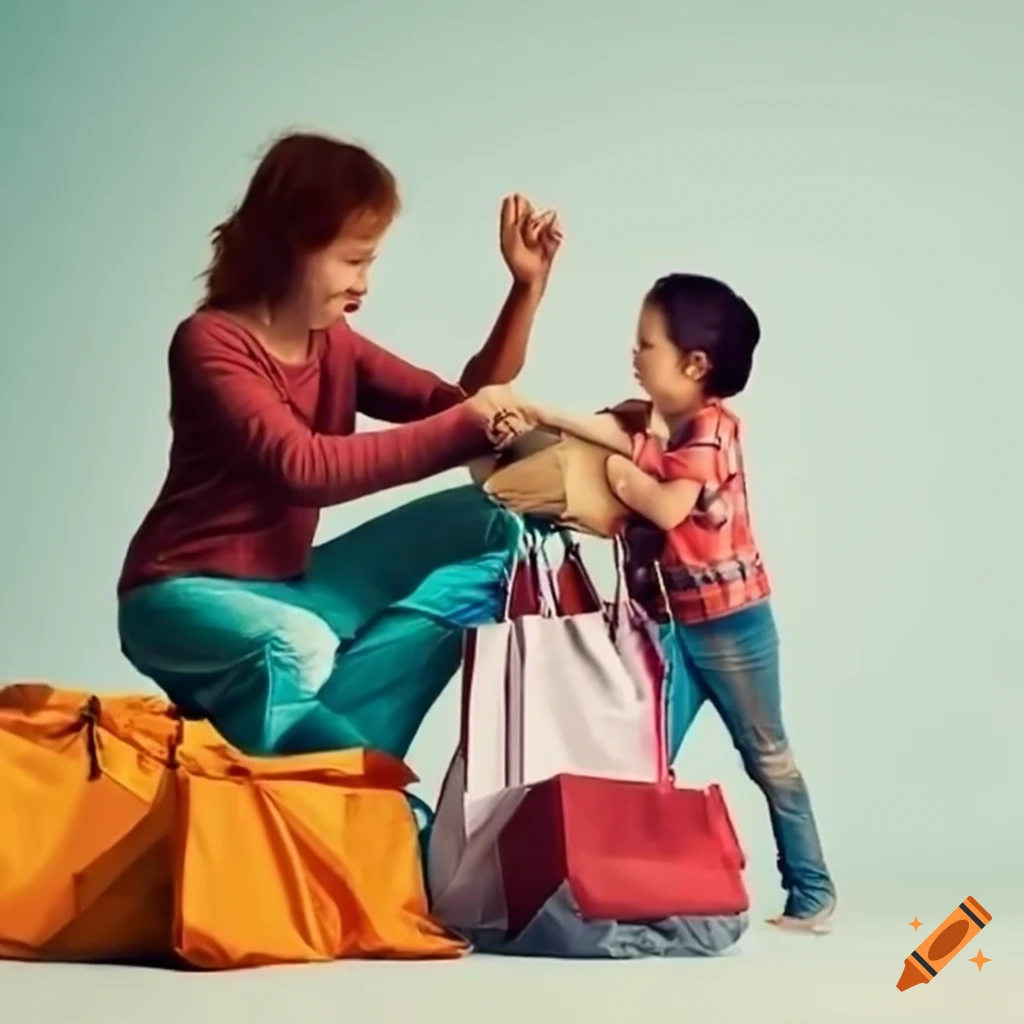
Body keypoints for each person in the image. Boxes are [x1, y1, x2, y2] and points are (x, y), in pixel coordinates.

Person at [117, 130, 562, 759]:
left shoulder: (334, 341)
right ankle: (343, 768)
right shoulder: (210, 343)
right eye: (354, 261)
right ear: (288, 248)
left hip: (292, 584)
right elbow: (304, 467)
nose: (364, 283)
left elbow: (457, 406)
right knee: (298, 645)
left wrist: (525, 290)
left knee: (500, 523)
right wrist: (472, 424)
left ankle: (344, 753)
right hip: (180, 597)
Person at [525, 273, 836, 931]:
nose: (634, 354)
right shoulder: (657, 420)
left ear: (694, 365)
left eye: (647, 344)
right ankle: (624, 887)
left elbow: (667, 505)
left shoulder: (712, 430)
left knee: (767, 754)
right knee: (639, 752)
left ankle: (811, 891)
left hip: (733, 624)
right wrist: (541, 414)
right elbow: (612, 433)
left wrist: (619, 475)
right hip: (674, 625)